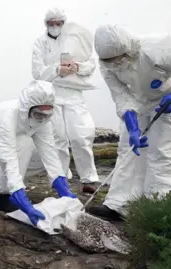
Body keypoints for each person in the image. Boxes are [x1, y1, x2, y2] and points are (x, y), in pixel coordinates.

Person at [88, 24, 171, 220]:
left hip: (165, 100)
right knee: (127, 151)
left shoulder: (158, 47)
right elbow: (122, 97)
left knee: (161, 152)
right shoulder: (106, 65)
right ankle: (119, 205)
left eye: (119, 59)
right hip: (136, 103)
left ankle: (156, 208)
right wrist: (132, 128)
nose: (116, 64)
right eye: (110, 61)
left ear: (128, 49)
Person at [0, 80, 78, 226]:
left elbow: (49, 152)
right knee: (24, 142)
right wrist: (17, 192)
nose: (42, 118)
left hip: (7, 151)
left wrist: (60, 184)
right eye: (38, 114)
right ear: (27, 107)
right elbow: (8, 156)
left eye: (47, 113)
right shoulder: (5, 114)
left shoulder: (43, 120)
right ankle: (3, 198)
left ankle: (1, 177)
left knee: (44, 154)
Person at [31, 7, 100, 194]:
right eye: (50, 23)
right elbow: (37, 72)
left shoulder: (75, 39)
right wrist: (56, 70)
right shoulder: (39, 43)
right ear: (46, 24)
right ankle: (60, 177)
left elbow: (90, 64)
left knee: (81, 136)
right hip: (51, 94)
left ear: (63, 23)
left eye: (58, 23)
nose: (54, 26)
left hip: (74, 94)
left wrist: (76, 66)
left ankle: (89, 178)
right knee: (57, 138)